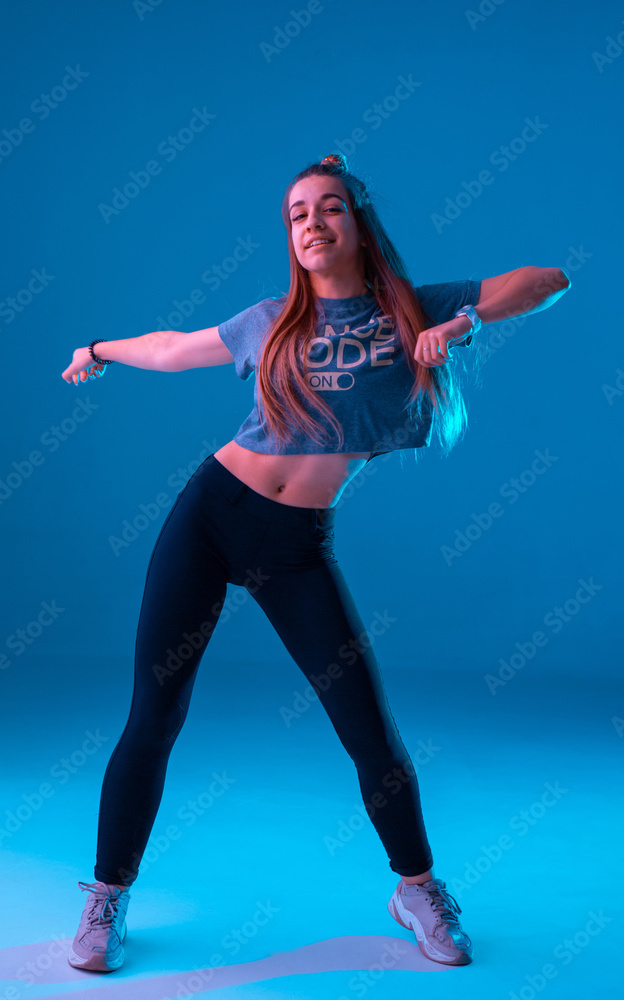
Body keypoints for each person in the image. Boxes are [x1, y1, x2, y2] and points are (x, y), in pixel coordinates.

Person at [60, 153, 571, 974]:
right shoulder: (270, 319)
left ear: (358, 223)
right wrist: (96, 347)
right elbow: (168, 348)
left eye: (328, 208)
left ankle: (416, 889)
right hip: (211, 513)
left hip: (294, 545)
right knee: (154, 710)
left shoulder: (411, 310)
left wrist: (461, 324)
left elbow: (545, 279)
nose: (311, 224)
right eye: (297, 213)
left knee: (364, 724)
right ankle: (104, 898)